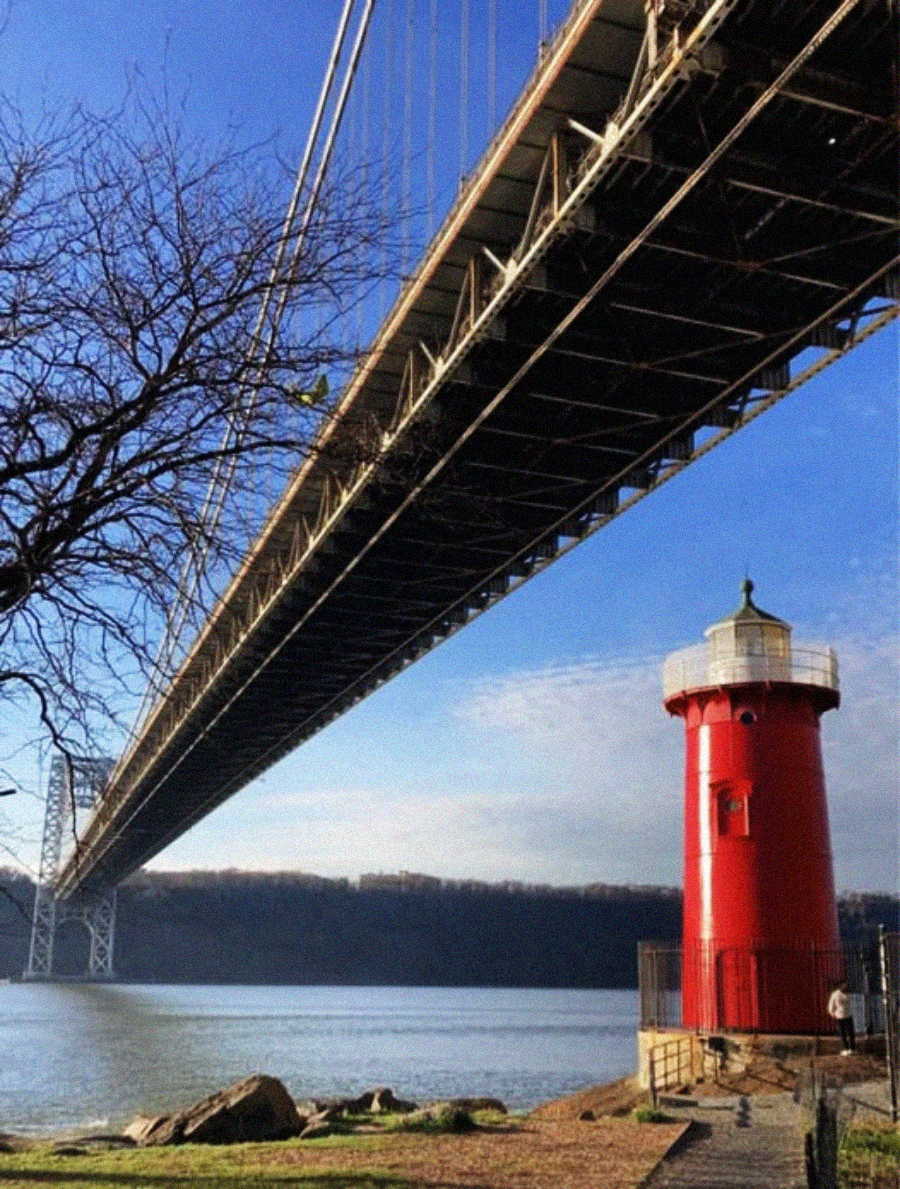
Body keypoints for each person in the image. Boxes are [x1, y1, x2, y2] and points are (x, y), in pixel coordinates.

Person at [827, 981, 856, 1055]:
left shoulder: (836, 994)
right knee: (849, 1033)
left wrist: (832, 1012)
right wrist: (832, 1012)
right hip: (845, 1015)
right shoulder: (844, 994)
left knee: (844, 1033)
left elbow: (831, 1005)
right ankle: (850, 1049)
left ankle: (848, 1049)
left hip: (841, 1016)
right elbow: (831, 1004)